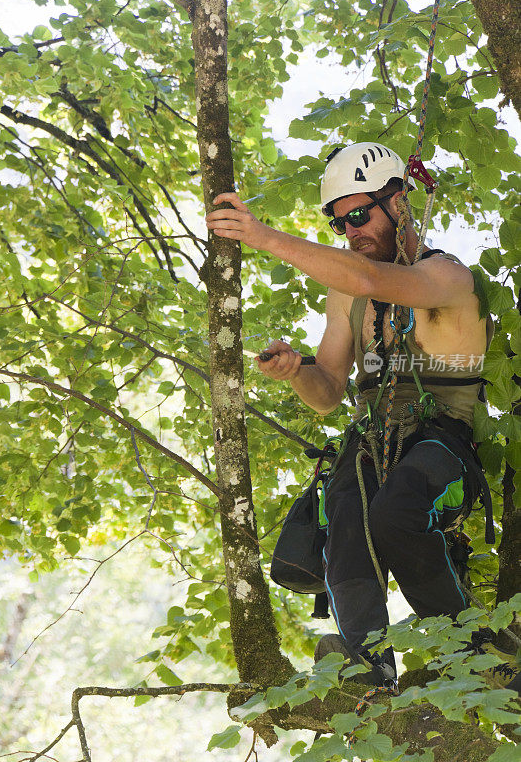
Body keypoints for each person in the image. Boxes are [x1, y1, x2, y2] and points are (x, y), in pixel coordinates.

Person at [205, 142, 496, 688]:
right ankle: (368, 661)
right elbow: (329, 392)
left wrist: (263, 237)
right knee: (345, 514)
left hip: (442, 444)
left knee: (398, 510)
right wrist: (296, 372)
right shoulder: (347, 296)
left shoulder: (448, 277)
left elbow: (369, 278)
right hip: (371, 436)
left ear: (399, 203)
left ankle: (474, 649)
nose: (352, 230)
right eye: (340, 224)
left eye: (359, 214)